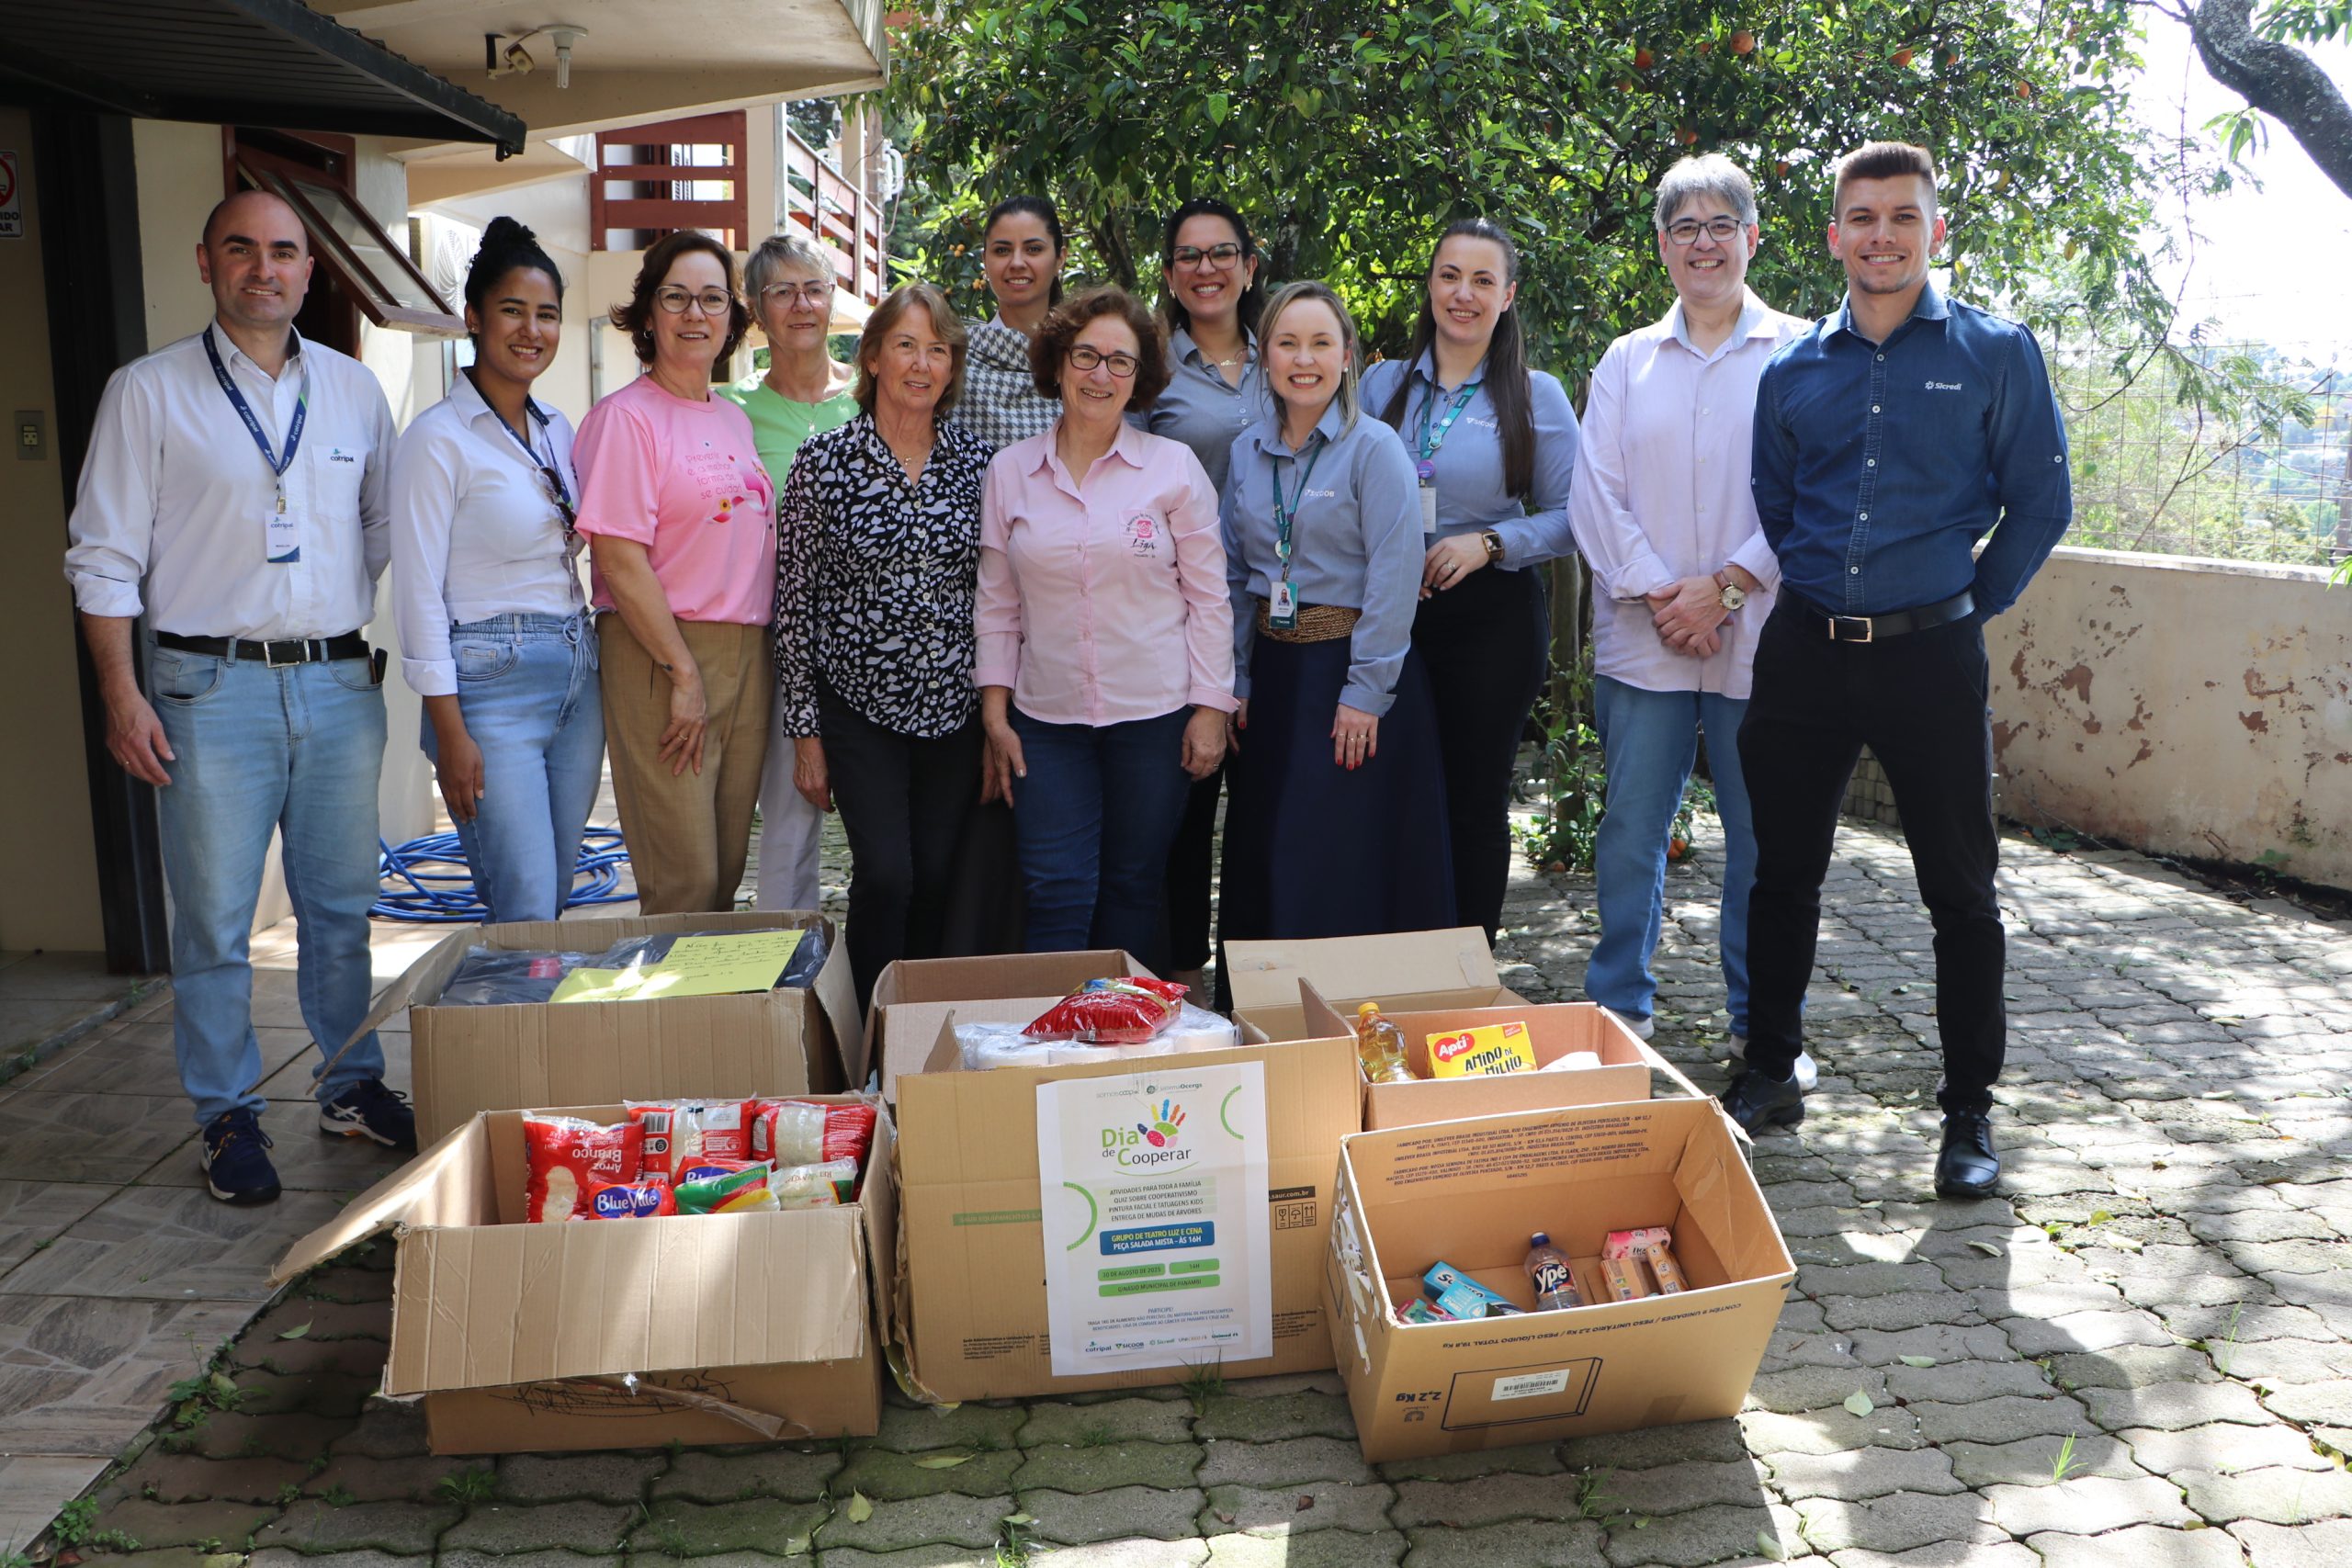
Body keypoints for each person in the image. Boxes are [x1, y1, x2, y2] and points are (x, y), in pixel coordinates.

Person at [1724, 141, 2072, 1201]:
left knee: (1959, 891)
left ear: (1935, 230)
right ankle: (1769, 1068)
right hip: (1804, 652)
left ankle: (1967, 1111)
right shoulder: (1792, 369)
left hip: (1931, 659)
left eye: (1903, 216)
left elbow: (2040, 501)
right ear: (1834, 235)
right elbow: (1776, 504)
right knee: (1781, 873)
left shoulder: (1995, 353)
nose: (1882, 236)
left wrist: (1963, 606)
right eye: (1863, 217)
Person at [63, 189, 414, 1204]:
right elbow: (104, 557)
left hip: (338, 682)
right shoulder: (147, 392)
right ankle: (226, 1114)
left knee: (340, 909)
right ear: (206, 261)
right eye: (242, 248)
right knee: (216, 921)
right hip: (207, 687)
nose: (266, 268)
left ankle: (349, 1085)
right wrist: (122, 692)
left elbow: (381, 529)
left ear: (309, 269)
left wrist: (322, 611)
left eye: (285, 252)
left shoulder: (353, 390)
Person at [1566, 158, 1809, 1073]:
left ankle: (1761, 1026)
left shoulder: (1801, 352)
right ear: (1662, 245)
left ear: (1753, 237)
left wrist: (1730, 587)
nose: (1703, 243)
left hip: (1762, 640)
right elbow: (1595, 494)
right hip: (1647, 641)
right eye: (1684, 227)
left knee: (1763, 841)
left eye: (1720, 224)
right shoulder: (1627, 361)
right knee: (1632, 831)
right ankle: (1618, 1014)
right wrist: (1671, 598)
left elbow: (1814, 490)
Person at [976, 288, 1234, 970]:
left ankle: (1124, 1032)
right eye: (1086, 355)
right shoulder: (1011, 472)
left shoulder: (1172, 468)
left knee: (1132, 887)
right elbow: (997, 602)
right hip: (1047, 721)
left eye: (1121, 361)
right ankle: (1058, 1030)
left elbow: (1210, 598)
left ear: (1139, 378)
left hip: (1154, 718)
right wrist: (995, 713)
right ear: (1058, 362)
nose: (1101, 374)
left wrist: (1212, 709)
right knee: (1054, 890)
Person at [775, 283, 994, 1011]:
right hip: (858, 708)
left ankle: (920, 1025)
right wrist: (806, 733)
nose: (922, 364)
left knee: (936, 877)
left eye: (938, 349)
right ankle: (866, 1028)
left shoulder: (978, 465)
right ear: (872, 358)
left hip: (953, 712)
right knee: (887, 875)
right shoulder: (824, 462)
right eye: (906, 345)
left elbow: (998, 594)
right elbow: (794, 604)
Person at [1217, 281, 1454, 953]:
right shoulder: (1246, 452)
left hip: (1349, 677)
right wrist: (1237, 678)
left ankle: (1353, 1006)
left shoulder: (1374, 448)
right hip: (1273, 679)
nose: (1304, 359)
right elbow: (1233, 574)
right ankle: (1269, 1005)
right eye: (1288, 343)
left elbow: (1395, 573)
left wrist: (1365, 693)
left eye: (1321, 343)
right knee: (1271, 846)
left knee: (1338, 856)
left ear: (1347, 354)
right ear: (1264, 355)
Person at [1363, 218, 1579, 945]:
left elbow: (1576, 517)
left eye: (1483, 280)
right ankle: (1393, 966)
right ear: (1429, 286)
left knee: (1474, 801)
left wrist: (1491, 543)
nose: (1464, 293)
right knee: (1388, 794)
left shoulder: (1535, 395)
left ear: (1508, 296)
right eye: (1450, 275)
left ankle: (1466, 969)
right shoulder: (1380, 385)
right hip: (1392, 615)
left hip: (1492, 621)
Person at [390, 218, 600, 927]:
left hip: (578, 674)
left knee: (555, 891)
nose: (531, 330)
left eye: (547, 314)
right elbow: (417, 593)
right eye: (513, 310)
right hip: (490, 684)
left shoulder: (557, 428)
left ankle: (533, 1000)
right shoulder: (436, 439)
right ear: (474, 317)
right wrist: (449, 732)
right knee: (526, 905)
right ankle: (509, 1005)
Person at [572, 233, 775, 916]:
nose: (695, 313)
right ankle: (669, 989)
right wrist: (683, 672)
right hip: (662, 653)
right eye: (676, 297)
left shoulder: (733, 419)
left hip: (746, 653)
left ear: (731, 318)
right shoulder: (625, 419)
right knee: (683, 879)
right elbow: (618, 558)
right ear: (649, 313)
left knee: (724, 872)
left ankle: (706, 991)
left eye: (712, 299)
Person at [1140, 197, 1267, 997]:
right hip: (1183, 621)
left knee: (1264, 829)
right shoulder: (1150, 369)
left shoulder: (1286, 350)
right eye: (1188, 255)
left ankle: (1257, 996)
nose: (1206, 268)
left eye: (1222, 252)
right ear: (1169, 274)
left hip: (1286, 623)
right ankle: (1180, 995)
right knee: (1182, 826)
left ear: (1249, 267)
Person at [720, 233, 859, 913]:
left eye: (814, 289)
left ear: (832, 299)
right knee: (789, 817)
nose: (801, 305)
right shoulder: (732, 412)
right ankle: (789, 961)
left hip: (872, 640)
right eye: (782, 292)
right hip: (780, 640)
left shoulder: (875, 394)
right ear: (756, 308)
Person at [958, 196, 1067, 452]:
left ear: (1060, 258)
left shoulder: (1086, 358)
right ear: (985, 261)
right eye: (1002, 251)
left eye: (1033, 249)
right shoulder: (955, 361)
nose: (1017, 263)